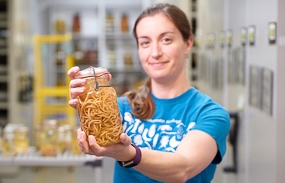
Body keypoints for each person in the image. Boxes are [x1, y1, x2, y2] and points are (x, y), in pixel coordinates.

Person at [68, 3, 230, 183]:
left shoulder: (211, 114)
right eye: (145, 42)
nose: (155, 53)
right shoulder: (123, 106)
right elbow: (96, 138)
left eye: (166, 40)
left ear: (188, 43)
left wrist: (129, 154)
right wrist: (87, 96)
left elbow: (182, 169)